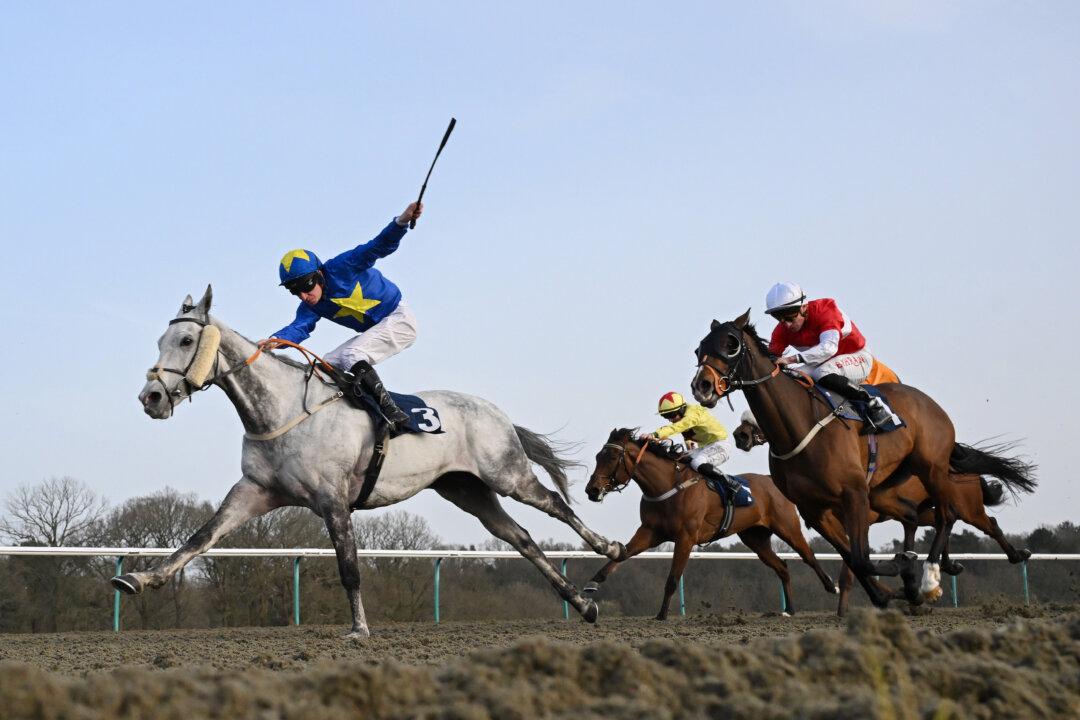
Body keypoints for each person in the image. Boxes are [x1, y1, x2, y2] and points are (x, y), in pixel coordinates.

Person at [258, 202, 423, 428]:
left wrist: (402, 221)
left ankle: (391, 414)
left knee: (353, 355)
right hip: (378, 328)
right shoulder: (310, 306)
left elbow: (377, 246)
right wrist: (273, 341)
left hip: (399, 319)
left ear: (319, 274)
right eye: (294, 290)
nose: (303, 296)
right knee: (324, 366)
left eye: (305, 286)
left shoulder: (341, 266)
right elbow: (298, 328)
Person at [764, 281, 897, 431]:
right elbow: (770, 360)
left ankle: (874, 405)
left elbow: (829, 348)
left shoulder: (825, 311)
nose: (786, 324)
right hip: (823, 362)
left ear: (803, 307)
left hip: (857, 356)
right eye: (779, 318)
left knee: (822, 373)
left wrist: (790, 360)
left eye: (789, 317)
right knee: (791, 378)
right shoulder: (781, 330)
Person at [647, 391, 745, 500]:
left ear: (682, 409)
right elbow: (691, 443)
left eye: (671, 415)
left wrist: (655, 434)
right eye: (666, 416)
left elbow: (677, 427)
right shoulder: (683, 419)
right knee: (679, 458)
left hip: (721, 444)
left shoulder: (692, 415)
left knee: (697, 462)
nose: (670, 419)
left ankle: (731, 483)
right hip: (705, 447)